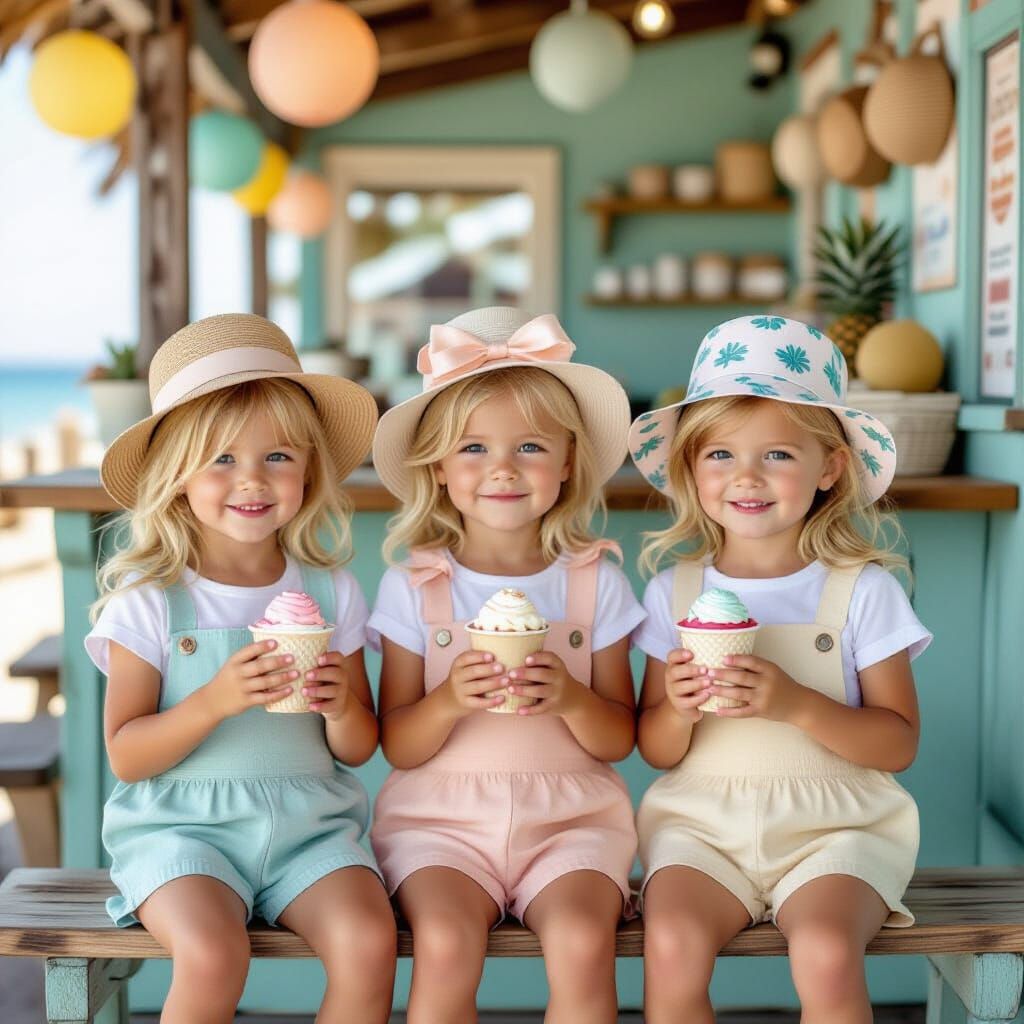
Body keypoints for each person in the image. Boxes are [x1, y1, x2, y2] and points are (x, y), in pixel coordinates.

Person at [86, 314, 397, 1024]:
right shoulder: (151, 602)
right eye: (221, 460)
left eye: (279, 457)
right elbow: (129, 756)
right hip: (181, 833)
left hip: (311, 830)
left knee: (368, 939)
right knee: (211, 954)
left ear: (310, 467)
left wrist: (343, 705)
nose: (252, 480)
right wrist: (214, 700)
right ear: (176, 476)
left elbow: (358, 747)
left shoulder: (331, 591)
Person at [630, 315, 931, 1024]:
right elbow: (655, 747)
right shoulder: (673, 592)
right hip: (702, 826)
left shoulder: (861, 589)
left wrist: (798, 704)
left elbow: (899, 743)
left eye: (778, 456)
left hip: (838, 830)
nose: (746, 478)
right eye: (720, 455)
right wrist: (677, 707)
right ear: (690, 468)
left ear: (828, 467)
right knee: (669, 942)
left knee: (825, 949)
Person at [367, 307, 645, 1024]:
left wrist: (573, 700)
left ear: (568, 464)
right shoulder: (416, 585)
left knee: (585, 941)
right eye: (472, 448)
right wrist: (450, 699)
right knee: (446, 941)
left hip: (573, 821)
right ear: (437, 467)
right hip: (440, 824)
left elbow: (621, 738)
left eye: (529, 446)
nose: (502, 469)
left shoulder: (594, 583)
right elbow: (395, 741)